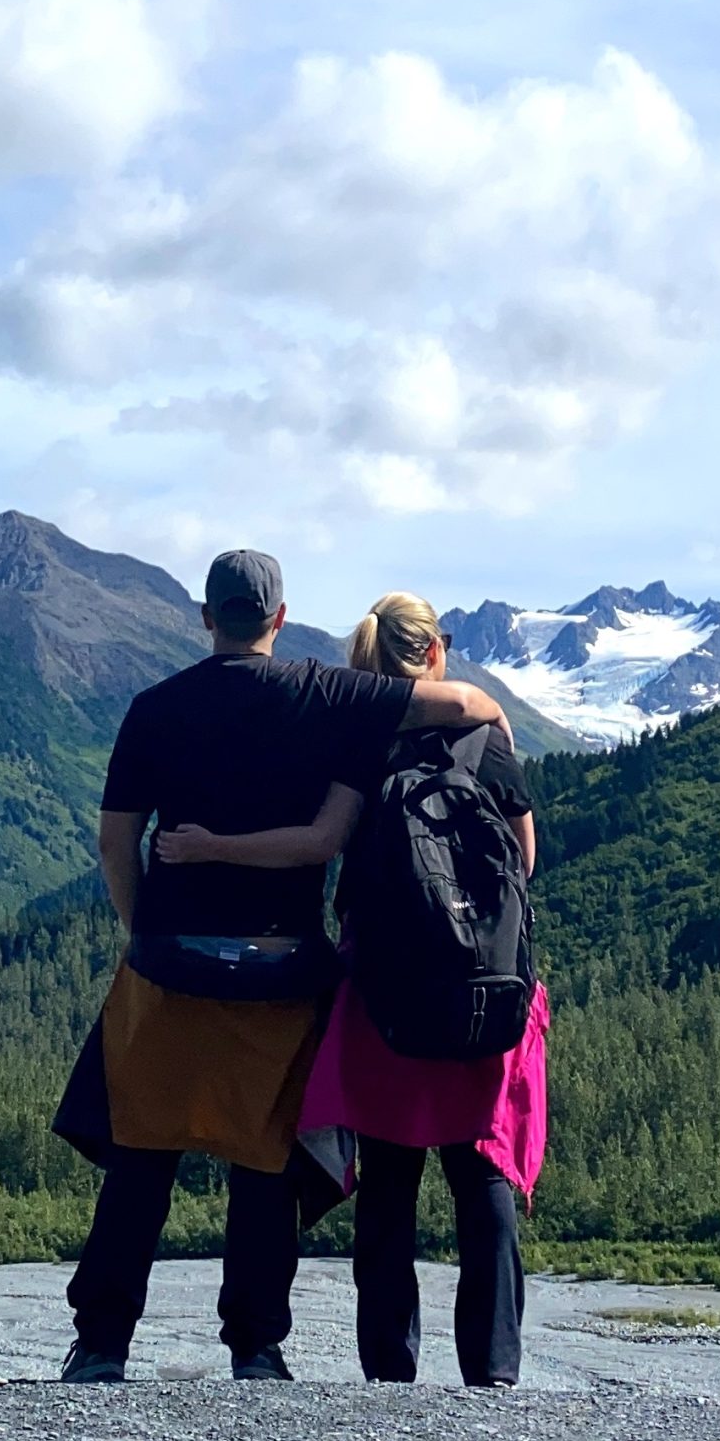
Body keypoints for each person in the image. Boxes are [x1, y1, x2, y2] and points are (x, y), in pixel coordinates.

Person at [52, 552, 512, 1384]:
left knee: (142, 1158)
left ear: (206, 617)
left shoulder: (155, 710)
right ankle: (256, 1347)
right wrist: (499, 735)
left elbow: (114, 842)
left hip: (171, 966)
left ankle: (103, 1345)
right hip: (279, 967)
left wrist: (146, 928)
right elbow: (466, 701)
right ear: (277, 616)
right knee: (263, 1162)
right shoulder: (325, 693)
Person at [154, 591, 550, 1387]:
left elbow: (320, 844)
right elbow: (524, 863)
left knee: (392, 1182)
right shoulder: (485, 738)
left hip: (383, 991)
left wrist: (206, 849)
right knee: (482, 1175)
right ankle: (496, 1372)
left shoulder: (361, 742)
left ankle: (388, 1373)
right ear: (435, 650)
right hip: (488, 992)